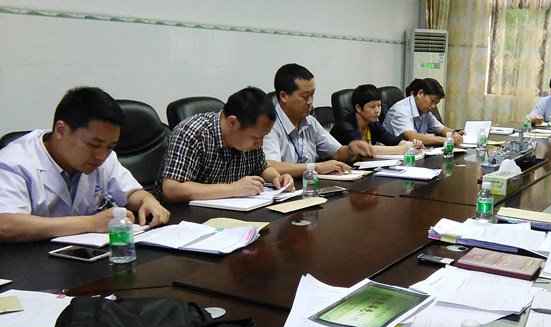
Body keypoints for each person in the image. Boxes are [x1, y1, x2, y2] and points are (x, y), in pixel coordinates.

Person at [0, 87, 170, 243]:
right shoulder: (13, 162)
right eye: (94, 145)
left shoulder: (103, 157)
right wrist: (91, 223)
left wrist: (148, 201)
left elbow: (131, 192)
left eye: (110, 146)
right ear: (61, 130)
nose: (102, 155)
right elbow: (5, 225)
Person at [156, 87, 294, 203]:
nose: (260, 143)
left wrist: (277, 178)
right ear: (233, 122)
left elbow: (262, 167)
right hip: (183, 217)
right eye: (257, 137)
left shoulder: (249, 139)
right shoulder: (192, 134)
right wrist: (233, 189)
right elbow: (171, 189)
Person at [263, 63, 375, 177]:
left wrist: (351, 150)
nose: (310, 102)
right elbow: (270, 166)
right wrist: (316, 167)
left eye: (312, 95)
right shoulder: (268, 125)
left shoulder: (310, 122)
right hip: (283, 186)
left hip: (310, 184)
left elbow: (337, 152)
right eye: (304, 96)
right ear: (284, 96)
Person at [330, 84, 421, 155]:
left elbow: (394, 141)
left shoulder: (373, 124)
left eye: (379, 106)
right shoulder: (345, 126)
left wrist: (411, 145)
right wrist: (403, 148)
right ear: (358, 108)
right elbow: (364, 150)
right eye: (372, 107)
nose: (377, 111)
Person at [383, 78, 464, 147]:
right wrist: (445, 139)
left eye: (436, 103)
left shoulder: (425, 112)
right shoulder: (401, 109)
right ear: (420, 93)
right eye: (432, 101)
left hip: (412, 152)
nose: (433, 106)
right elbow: (412, 137)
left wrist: (454, 135)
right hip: (390, 155)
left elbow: (441, 129)